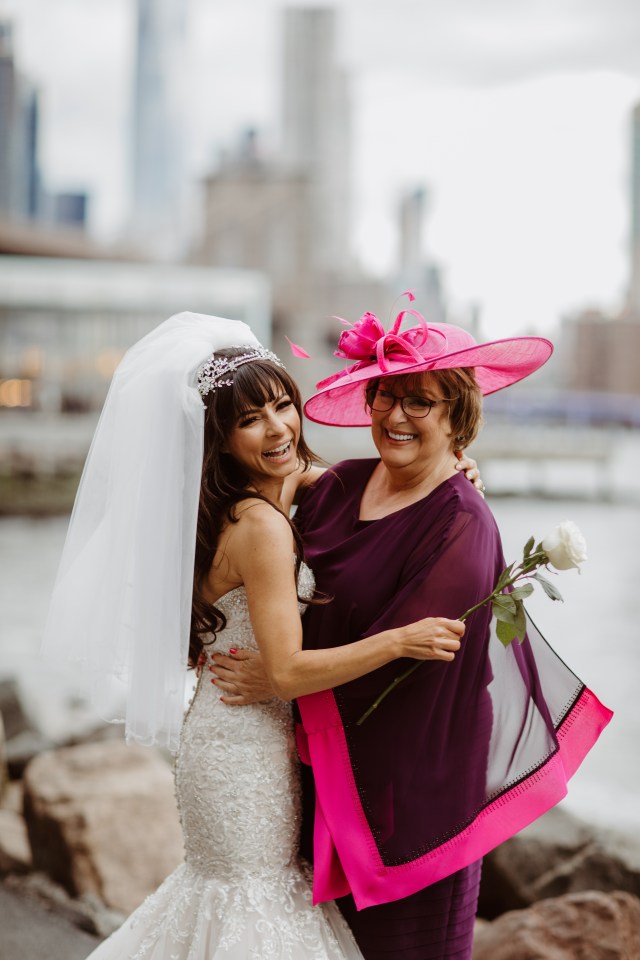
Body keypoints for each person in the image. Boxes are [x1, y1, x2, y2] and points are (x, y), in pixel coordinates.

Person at [42, 311, 483, 960]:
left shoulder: (262, 496)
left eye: (282, 405)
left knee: (228, 910)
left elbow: (350, 491)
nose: (278, 428)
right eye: (250, 420)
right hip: (245, 752)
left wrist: (452, 474)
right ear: (217, 439)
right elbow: (286, 672)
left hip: (238, 735)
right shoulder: (260, 527)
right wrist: (401, 640)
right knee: (250, 913)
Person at [212, 303, 613, 960]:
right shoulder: (337, 487)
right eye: (386, 396)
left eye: (419, 402)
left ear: (460, 417)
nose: (395, 416)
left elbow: (407, 667)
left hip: (417, 799)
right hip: (319, 781)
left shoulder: (463, 523)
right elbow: (251, 504)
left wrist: (280, 681)